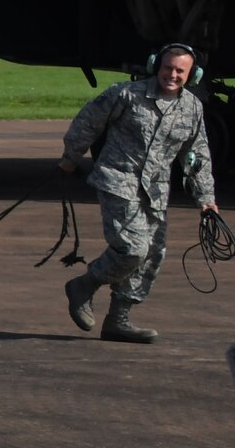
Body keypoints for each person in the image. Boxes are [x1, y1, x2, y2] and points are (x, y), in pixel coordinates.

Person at [59, 43, 217, 343]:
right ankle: (85, 285)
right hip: (118, 180)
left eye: (179, 71)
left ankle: (118, 320)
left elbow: (197, 155)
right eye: (167, 67)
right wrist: (70, 157)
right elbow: (89, 121)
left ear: (192, 75)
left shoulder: (192, 107)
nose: (172, 74)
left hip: (155, 191)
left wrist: (206, 199)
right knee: (133, 248)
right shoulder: (127, 94)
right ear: (156, 65)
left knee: (152, 255)